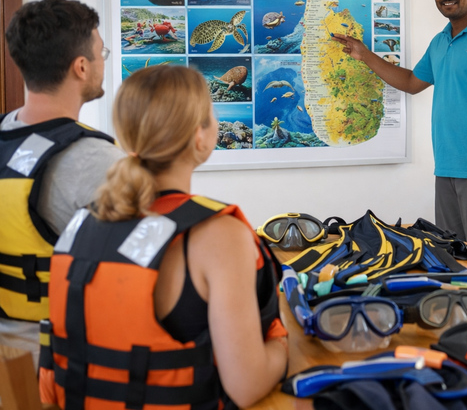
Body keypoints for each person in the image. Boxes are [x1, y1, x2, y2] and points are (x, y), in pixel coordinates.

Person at [39, 65, 288, 409]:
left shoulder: (80, 223)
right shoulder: (218, 235)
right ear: (200, 137)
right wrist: (283, 342)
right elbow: (246, 387)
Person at [332, 0, 467, 258]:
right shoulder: (440, 41)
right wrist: (364, 54)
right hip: (447, 168)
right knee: (452, 258)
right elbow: (410, 82)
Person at [0, 0, 123, 360]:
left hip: (1, 364)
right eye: (102, 53)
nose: (102, 61)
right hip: (63, 368)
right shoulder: (96, 160)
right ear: (81, 67)